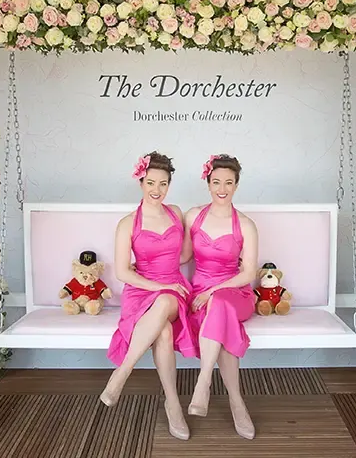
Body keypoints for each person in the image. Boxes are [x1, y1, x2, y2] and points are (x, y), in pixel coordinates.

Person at [102, 151, 196, 441]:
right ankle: (173, 403)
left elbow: (184, 255)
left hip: (174, 287)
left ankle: (122, 373)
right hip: (141, 290)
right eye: (151, 183)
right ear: (141, 182)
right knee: (164, 332)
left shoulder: (176, 213)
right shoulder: (128, 223)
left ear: (169, 185)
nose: (157, 190)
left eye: (163, 184)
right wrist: (154, 284)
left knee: (168, 300)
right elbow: (121, 272)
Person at [182, 154, 258, 440]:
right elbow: (185, 256)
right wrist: (150, 264)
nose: (222, 188)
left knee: (221, 304)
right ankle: (237, 403)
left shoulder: (246, 225)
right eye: (216, 182)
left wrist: (215, 291)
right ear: (208, 183)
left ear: (237, 185)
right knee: (219, 317)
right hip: (200, 293)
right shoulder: (193, 216)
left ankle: (203, 382)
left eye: (228, 182)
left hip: (235, 292)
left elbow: (248, 272)